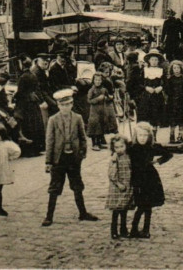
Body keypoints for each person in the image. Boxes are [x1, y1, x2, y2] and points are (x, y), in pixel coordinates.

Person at [41, 88, 98, 226]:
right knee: (54, 187)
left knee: (77, 186)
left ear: (72, 104)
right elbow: (49, 141)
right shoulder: (53, 120)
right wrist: (48, 161)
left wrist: (82, 153)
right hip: (58, 159)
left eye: (68, 104)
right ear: (58, 105)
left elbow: (83, 137)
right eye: (62, 105)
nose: (65, 107)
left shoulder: (77, 118)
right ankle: (49, 216)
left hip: (73, 158)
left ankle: (83, 213)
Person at [128, 122, 172, 238]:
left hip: (150, 179)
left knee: (148, 205)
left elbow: (168, 154)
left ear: (149, 136)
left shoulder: (152, 146)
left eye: (145, 135)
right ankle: (134, 229)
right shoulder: (132, 147)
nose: (142, 138)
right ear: (135, 135)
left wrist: (158, 161)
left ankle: (145, 230)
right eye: (140, 135)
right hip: (137, 179)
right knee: (141, 205)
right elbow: (119, 151)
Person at [0, 123, 21, 218]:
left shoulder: (6, 144)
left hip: (1, 170)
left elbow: (17, 151)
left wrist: (10, 157)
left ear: (1, 135)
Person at [12, 57, 46, 157]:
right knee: (35, 124)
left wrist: (14, 98)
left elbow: (20, 91)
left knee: (27, 124)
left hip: (25, 103)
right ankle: (37, 147)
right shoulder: (33, 75)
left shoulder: (23, 77)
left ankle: (28, 150)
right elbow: (36, 89)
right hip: (33, 102)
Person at [106, 134, 133, 239]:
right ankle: (113, 230)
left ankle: (123, 229)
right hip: (117, 187)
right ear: (113, 148)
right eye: (116, 147)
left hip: (127, 185)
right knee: (116, 210)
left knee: (124, 208)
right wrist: (118, 183)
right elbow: (111, 173)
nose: (119, 149)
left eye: (122, 146)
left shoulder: (128, 156)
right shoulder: (115, 158)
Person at [137, 49, 166, 139]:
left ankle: (154, 136)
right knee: (146, 115)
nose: (154, 61)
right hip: (146, 96)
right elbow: (139, 83)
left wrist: (161, 87)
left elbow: (166, 82)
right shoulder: (144, 70)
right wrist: (146, 88)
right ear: (149, 60)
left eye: (156, 60)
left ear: (158, 61)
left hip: (157, 96)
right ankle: (146, 136)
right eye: (152, 59)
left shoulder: (161, 70)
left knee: (155, 115)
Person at [86, 72, 118, 150]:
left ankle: (99, 143)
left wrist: (110, 97)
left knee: (101, 127)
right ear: (93, 81)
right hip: (94, 112)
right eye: (96, 80)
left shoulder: (104, 89)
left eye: (99, 80)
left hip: (102, 111)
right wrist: (98, 99)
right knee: (95, 127)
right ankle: (94, 144)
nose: (98, 82)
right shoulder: (91, 90)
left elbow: (108, 97)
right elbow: (89, 100)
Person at [165, 60, 183, 144]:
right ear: (171, 69)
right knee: (172, 119)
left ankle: (180, 136)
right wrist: (172, 96)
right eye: (174, 68)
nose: (176, 70)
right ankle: (171, 135)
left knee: (181, 119)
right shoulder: (169, 79)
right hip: (172, 102)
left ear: (181, 69)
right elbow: (167, 90)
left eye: (178, 68)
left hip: (182, 102)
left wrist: (182, 96)